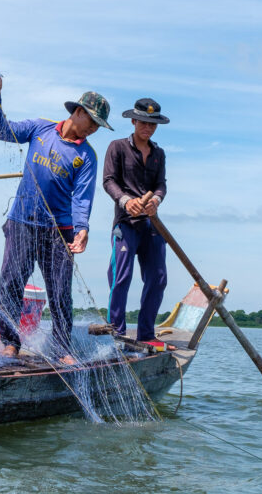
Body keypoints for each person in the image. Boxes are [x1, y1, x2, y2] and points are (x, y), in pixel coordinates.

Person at [0, 70, 112, 365]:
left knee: (60, 292)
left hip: (60, 229)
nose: (93, 129)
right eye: (91, 121)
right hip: (22, 221)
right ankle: (10, 342)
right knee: (12, 282)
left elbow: (82, 197)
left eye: (97, 126)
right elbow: (1, 130)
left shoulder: (86, 156)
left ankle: (63, 348)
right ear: (78, 112)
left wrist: (82, 229)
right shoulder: (39, 129)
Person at [103, 98, 174, 349]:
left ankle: (146, 333)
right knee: (121, 276)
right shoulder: (117, 147)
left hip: (152, 224)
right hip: (125, 223)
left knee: (158, 277)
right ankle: (116, 333)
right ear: (133, 121)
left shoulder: (159, 153)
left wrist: (156, 198)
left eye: (153, 124)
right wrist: (125, 200)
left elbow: (161, 184)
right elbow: (109, 181)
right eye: (144, 123)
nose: (148, 128)